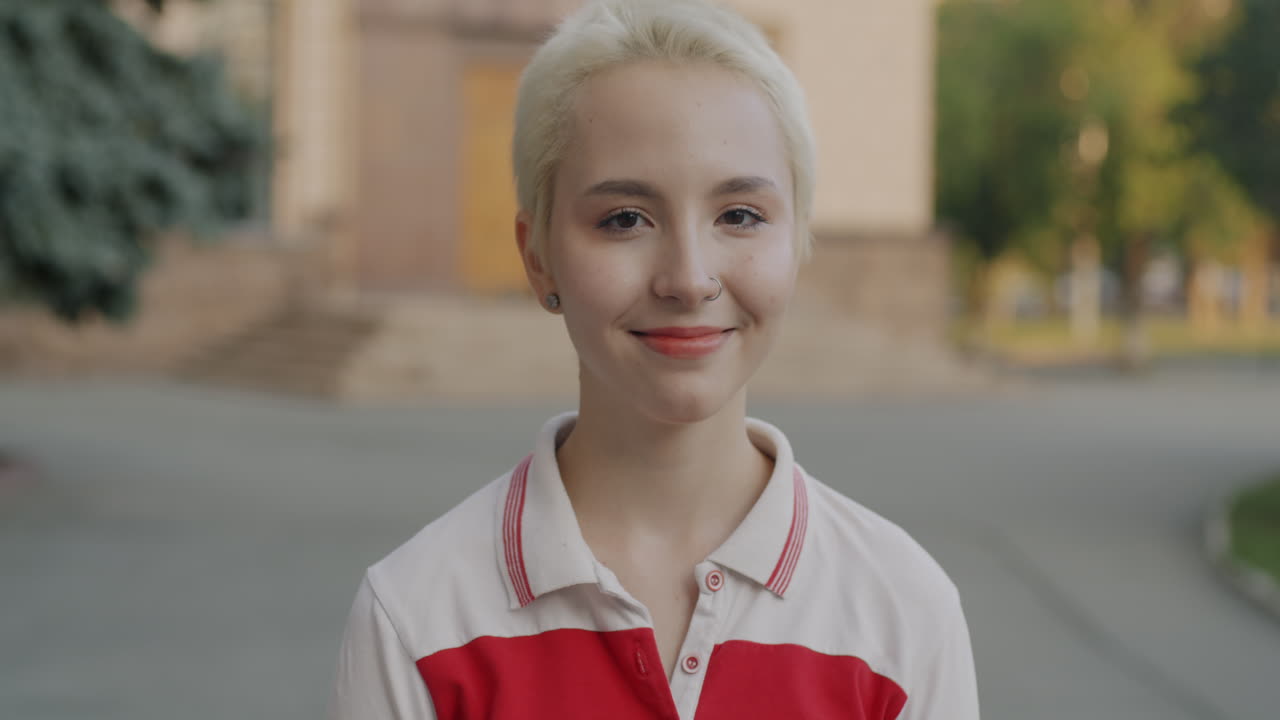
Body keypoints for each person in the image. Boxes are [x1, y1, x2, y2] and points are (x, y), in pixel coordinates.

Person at [327, 0, 980, 717]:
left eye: (740, 215)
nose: (689, 278)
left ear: (797, 245)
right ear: (538, 257)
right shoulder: (418, 619)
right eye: (625, 219)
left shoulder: (902, 613)